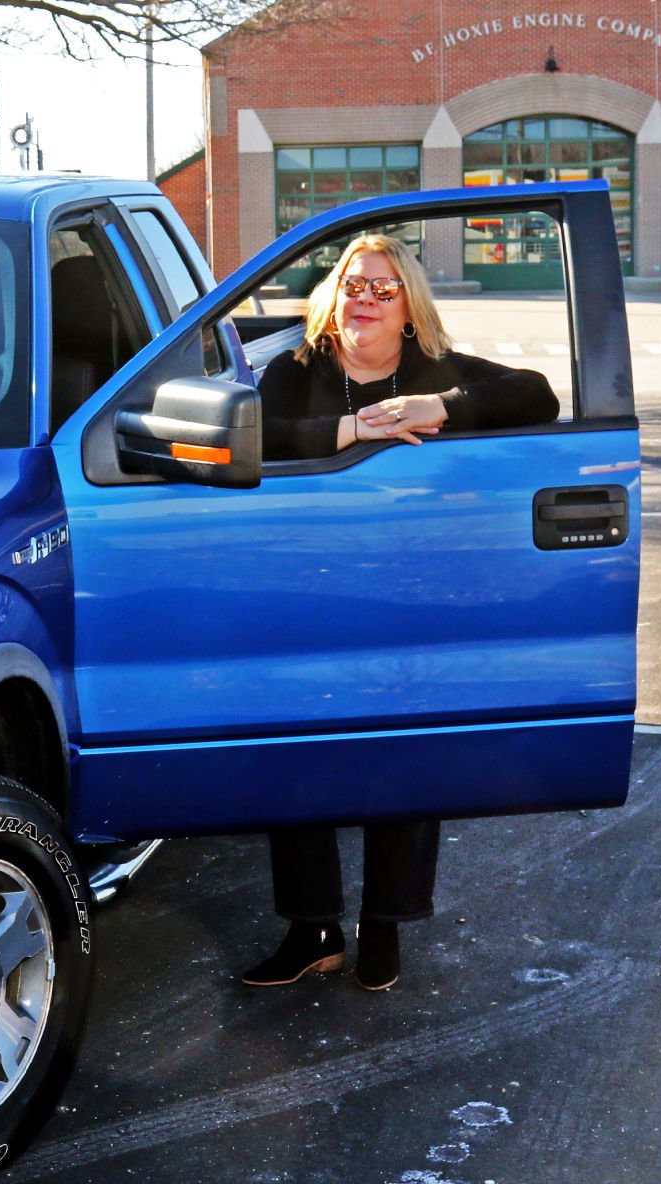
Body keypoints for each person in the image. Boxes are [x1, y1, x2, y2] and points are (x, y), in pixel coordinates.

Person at [242, 233, 559, 991]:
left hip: (407, 591)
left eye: (384, 288)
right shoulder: (294, 371)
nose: (364, 297)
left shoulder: (435, 372)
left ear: (409, 307)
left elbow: (536, 393)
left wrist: (435, 405)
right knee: (300, 748)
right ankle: (311, 927)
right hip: (307, 585)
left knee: (401, 750)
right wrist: (353, 428)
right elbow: (258, 436)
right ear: (332, 295)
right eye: (353, 282)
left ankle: (381, 923)